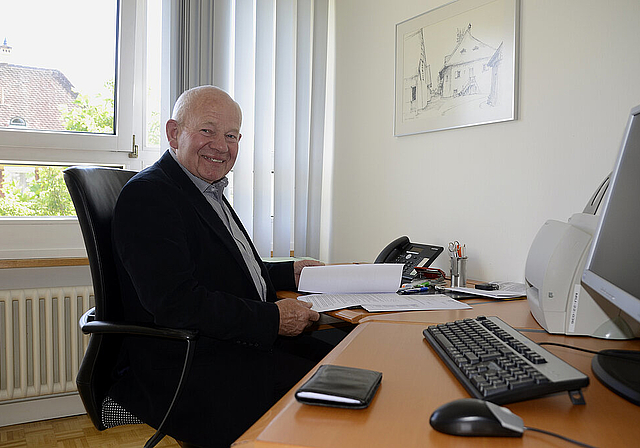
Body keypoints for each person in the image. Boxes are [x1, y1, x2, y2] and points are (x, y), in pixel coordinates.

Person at [109, 85, 329, 447]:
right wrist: (273, 318)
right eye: (207, 131)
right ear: (174, 133)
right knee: (339, 387)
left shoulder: (201, 189)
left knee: (345, 357)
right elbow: (175, 302)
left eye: (231, 136)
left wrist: (290, 272)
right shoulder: (150, 195)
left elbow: (222, 270)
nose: (221, 146)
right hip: (193, 364)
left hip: (229, 344)